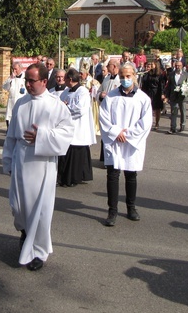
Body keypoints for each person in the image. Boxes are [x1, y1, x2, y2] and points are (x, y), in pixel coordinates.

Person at [2, 63, 74, 271]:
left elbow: (67, 133)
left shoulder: (56, 104)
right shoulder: (21, 104)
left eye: (32, 81)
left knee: (40, 210)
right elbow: (11, 136)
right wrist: (8, 160)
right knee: (18, 206)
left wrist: (41, 137)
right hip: (21, 160)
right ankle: (25, 231)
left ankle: (39, 251)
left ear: (44, 81)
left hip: (42, 163)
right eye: (26, 80)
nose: (28, 84)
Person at [98, 63, 152, 226]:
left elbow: (146, 122)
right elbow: (104, 117)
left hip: (131, 143)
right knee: (113, 175)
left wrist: (127, 135)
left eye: (128, 76)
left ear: (134, 76)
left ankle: (131, 208)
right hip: (115, 141)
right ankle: (112, 211)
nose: (125, 79)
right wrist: (116, 132)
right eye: (122, 76)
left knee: (131, 175)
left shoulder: (143, 98)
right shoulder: (111, 97)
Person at [57, 69, 96, 187]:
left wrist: (66, 107)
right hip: (67, 125)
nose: (63, 81)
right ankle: (64, 176)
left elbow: (80, 109)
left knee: (76, 151)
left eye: (65, 79)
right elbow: (59, 105)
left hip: (79, 126)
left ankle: (75, 177)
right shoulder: (66, 91)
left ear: (70, 79)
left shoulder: (82, 91)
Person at [164, 61, 188, 134]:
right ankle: (173, 128)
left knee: (182, 111)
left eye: (179, 66)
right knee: (173, 112)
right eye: (176, 65)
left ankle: (182, 125)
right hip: (173, 96)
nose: (177, 67)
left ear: (182, 66)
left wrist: (186, 92)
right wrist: (166, 95)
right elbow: (169, 86)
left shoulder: (186, 74)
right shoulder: (171, 74)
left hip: (182, 96)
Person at [140, 60, 164, 130]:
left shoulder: (160, 74)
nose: (151, 66)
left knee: (157, 109)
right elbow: (144, 83)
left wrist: (162, 94)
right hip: (148, 92)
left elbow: (161, 85)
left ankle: (157, 123)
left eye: (153, 64)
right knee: (149, 108)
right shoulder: (148, 73)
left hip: (157, 92)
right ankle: (149, 123)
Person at [2, 62, 26, 128]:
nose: (14, 71)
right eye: (13, 69)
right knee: (9, 119)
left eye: (16, 69)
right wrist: (11, 79)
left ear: (21, 69)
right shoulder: (11, 78)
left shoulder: (25, 78)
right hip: (11, 102)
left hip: (21, 102)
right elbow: (5, 87)